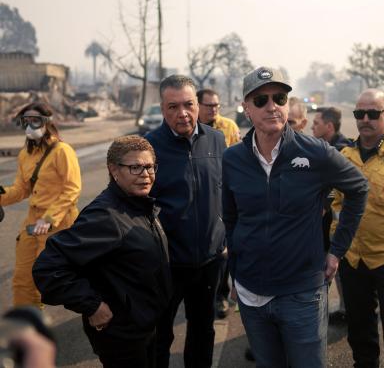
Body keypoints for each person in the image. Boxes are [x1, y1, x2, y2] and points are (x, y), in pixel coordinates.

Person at [222, 66, 369, 368]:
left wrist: (336, 250)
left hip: (302, 292)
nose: (272, 106)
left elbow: (359, 188)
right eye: (260, 100)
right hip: (251, 294)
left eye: (279, 97)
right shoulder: (233, 159)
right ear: (246, 108)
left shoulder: (316, 153)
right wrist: (234, 273)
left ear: (288, 103)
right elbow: (231, 219)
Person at [33, 135, 172, 368]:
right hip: (123, 336)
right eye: (135, 167)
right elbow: (48, 268)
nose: (146, 175)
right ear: (114, 170)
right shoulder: (105, 216)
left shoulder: (138, 204)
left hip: (146, 324)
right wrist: (92, 305)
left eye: (149, 167)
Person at [146, 75, 226, 368]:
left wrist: (224, 239)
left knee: (203, 331)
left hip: (209, 261)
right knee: (159, 336)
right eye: (173, 106)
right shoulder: (148, 147)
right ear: (163, 108)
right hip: (167, 265)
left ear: (197, 105)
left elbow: (225, 191)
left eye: (188, 104)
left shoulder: (217, 139)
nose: (182, 113)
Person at [331, 89, 384, 368]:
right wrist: (336, 240)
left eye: (373, 113)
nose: (365, 119)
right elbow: (336, 204)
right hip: (354, 260)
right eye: (359, 114)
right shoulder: (344, 156)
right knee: (360, 336)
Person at [0, 101, 81, 308]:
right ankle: (26, 323)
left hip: (58, 222)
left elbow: (72, 188)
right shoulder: (25, 154)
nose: (29, 126)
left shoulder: (62, 151)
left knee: (46, 279)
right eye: (26, 121)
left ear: (47, 122)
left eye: (35, 121)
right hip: (33, 221)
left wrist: (49, 218)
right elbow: (21, 189)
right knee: (22, 279)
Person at [197, 88, 241, 319]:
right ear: (198, 106)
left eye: (217, 105)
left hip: (223, 195)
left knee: (222, 249)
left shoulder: (229, 127)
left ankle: (221, 295)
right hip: (198, 197)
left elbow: (236, 160)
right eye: (209, 105)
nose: (214, 109)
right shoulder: (190, 128)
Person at [311, 106, 352, 324]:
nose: (312, 126)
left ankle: (348, 311)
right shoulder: (323, 146)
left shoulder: (342, 150)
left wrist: (323, 206)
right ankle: (344, 309)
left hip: (337, 225)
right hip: (327, 224)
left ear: (329, 126)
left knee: (338, 270)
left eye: (316, 123)